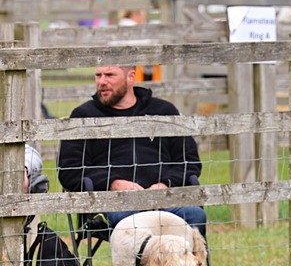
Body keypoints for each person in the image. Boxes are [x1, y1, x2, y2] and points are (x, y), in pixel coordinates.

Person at [57, 66, 206, 236]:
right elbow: (70, 170)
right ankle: (144, 255)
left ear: (131, 77)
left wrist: (166, 184)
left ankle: (182, 255)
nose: (102, 81)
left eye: (110, 75)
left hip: (166, 199)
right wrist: (113, 183)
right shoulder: (83, 116)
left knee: (194, 215)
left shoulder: (164, 111)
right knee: (130, 221)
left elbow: (189, 162)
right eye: (98, 75)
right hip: (114, 204)